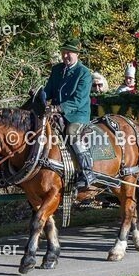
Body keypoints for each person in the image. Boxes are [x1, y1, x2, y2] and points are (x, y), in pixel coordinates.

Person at [44, 41, 96, 189]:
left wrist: (58, 108)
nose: (65, 55)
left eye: (69, 53)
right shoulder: (57, 69)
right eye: (63, 52)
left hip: (77, 114)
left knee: (72, 132)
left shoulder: (84, 73)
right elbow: (48, 91)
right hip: (55, 112)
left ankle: (87, 171)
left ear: (77, 54)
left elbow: (78, 100)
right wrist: (40, 96)